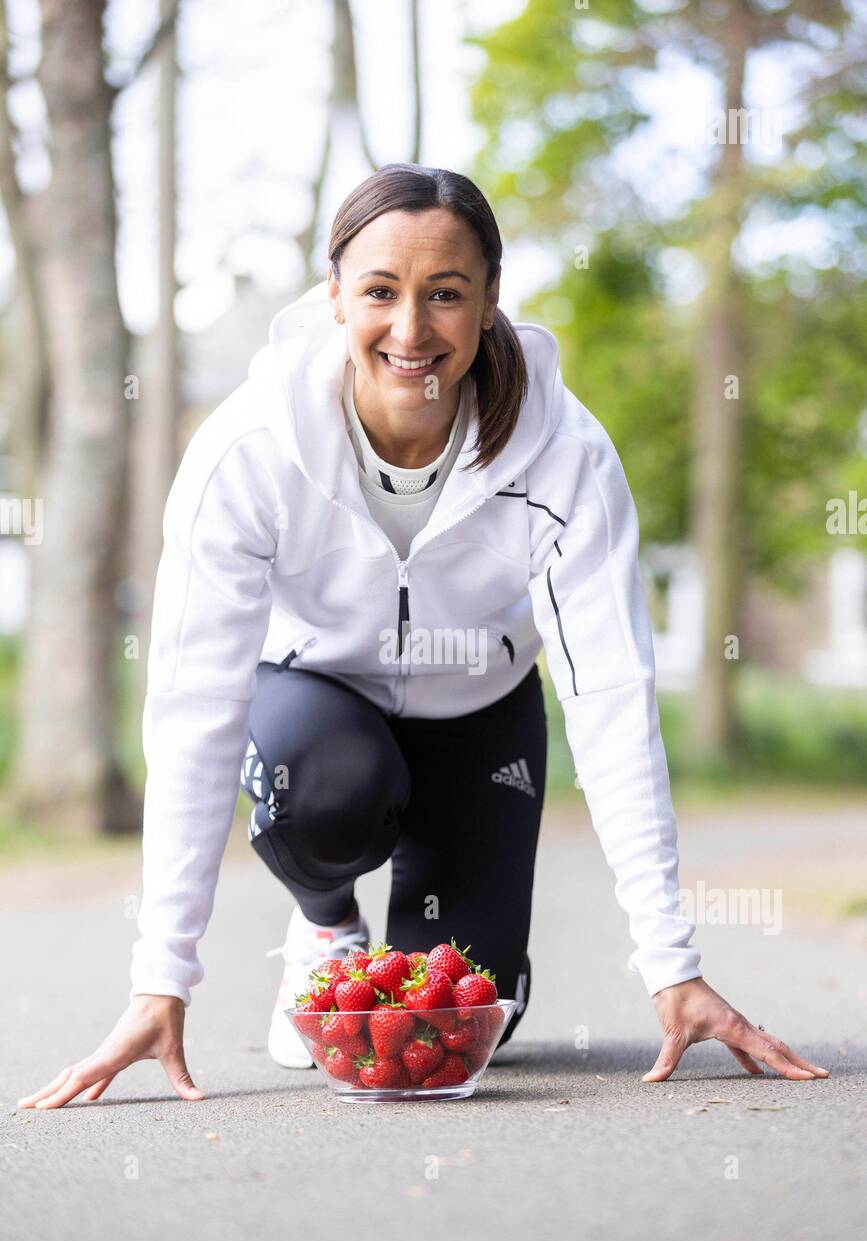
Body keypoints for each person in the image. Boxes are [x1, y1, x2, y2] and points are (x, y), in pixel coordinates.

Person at [18, 164, 828, 1110]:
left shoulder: (563, 455)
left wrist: (671, 966)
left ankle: (427, 945)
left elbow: (609, 694)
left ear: (488, 303)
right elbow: (195, 707)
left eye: (445, 294)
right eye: (378, 292)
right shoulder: (248, 452)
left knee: (464, 1020)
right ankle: (326, 928)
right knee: (328, 787)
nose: (410, 332)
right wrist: (160, 979)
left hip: (479, 711)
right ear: (333, 297)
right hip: (316, 698)